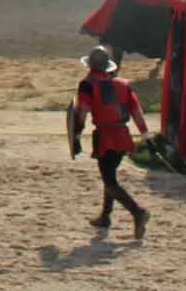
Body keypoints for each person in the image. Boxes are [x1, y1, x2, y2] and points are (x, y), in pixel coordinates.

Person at [68, 46, 150, 239]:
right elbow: (136, 111)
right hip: (123, 135)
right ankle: (105, 217)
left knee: (110, 181)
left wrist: (77, 136)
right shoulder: (123, 84)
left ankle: (138, 213)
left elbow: (82, 112)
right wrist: (146, 136)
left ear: (89, 65)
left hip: (106, 137)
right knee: (110, 175)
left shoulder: (87, 84)